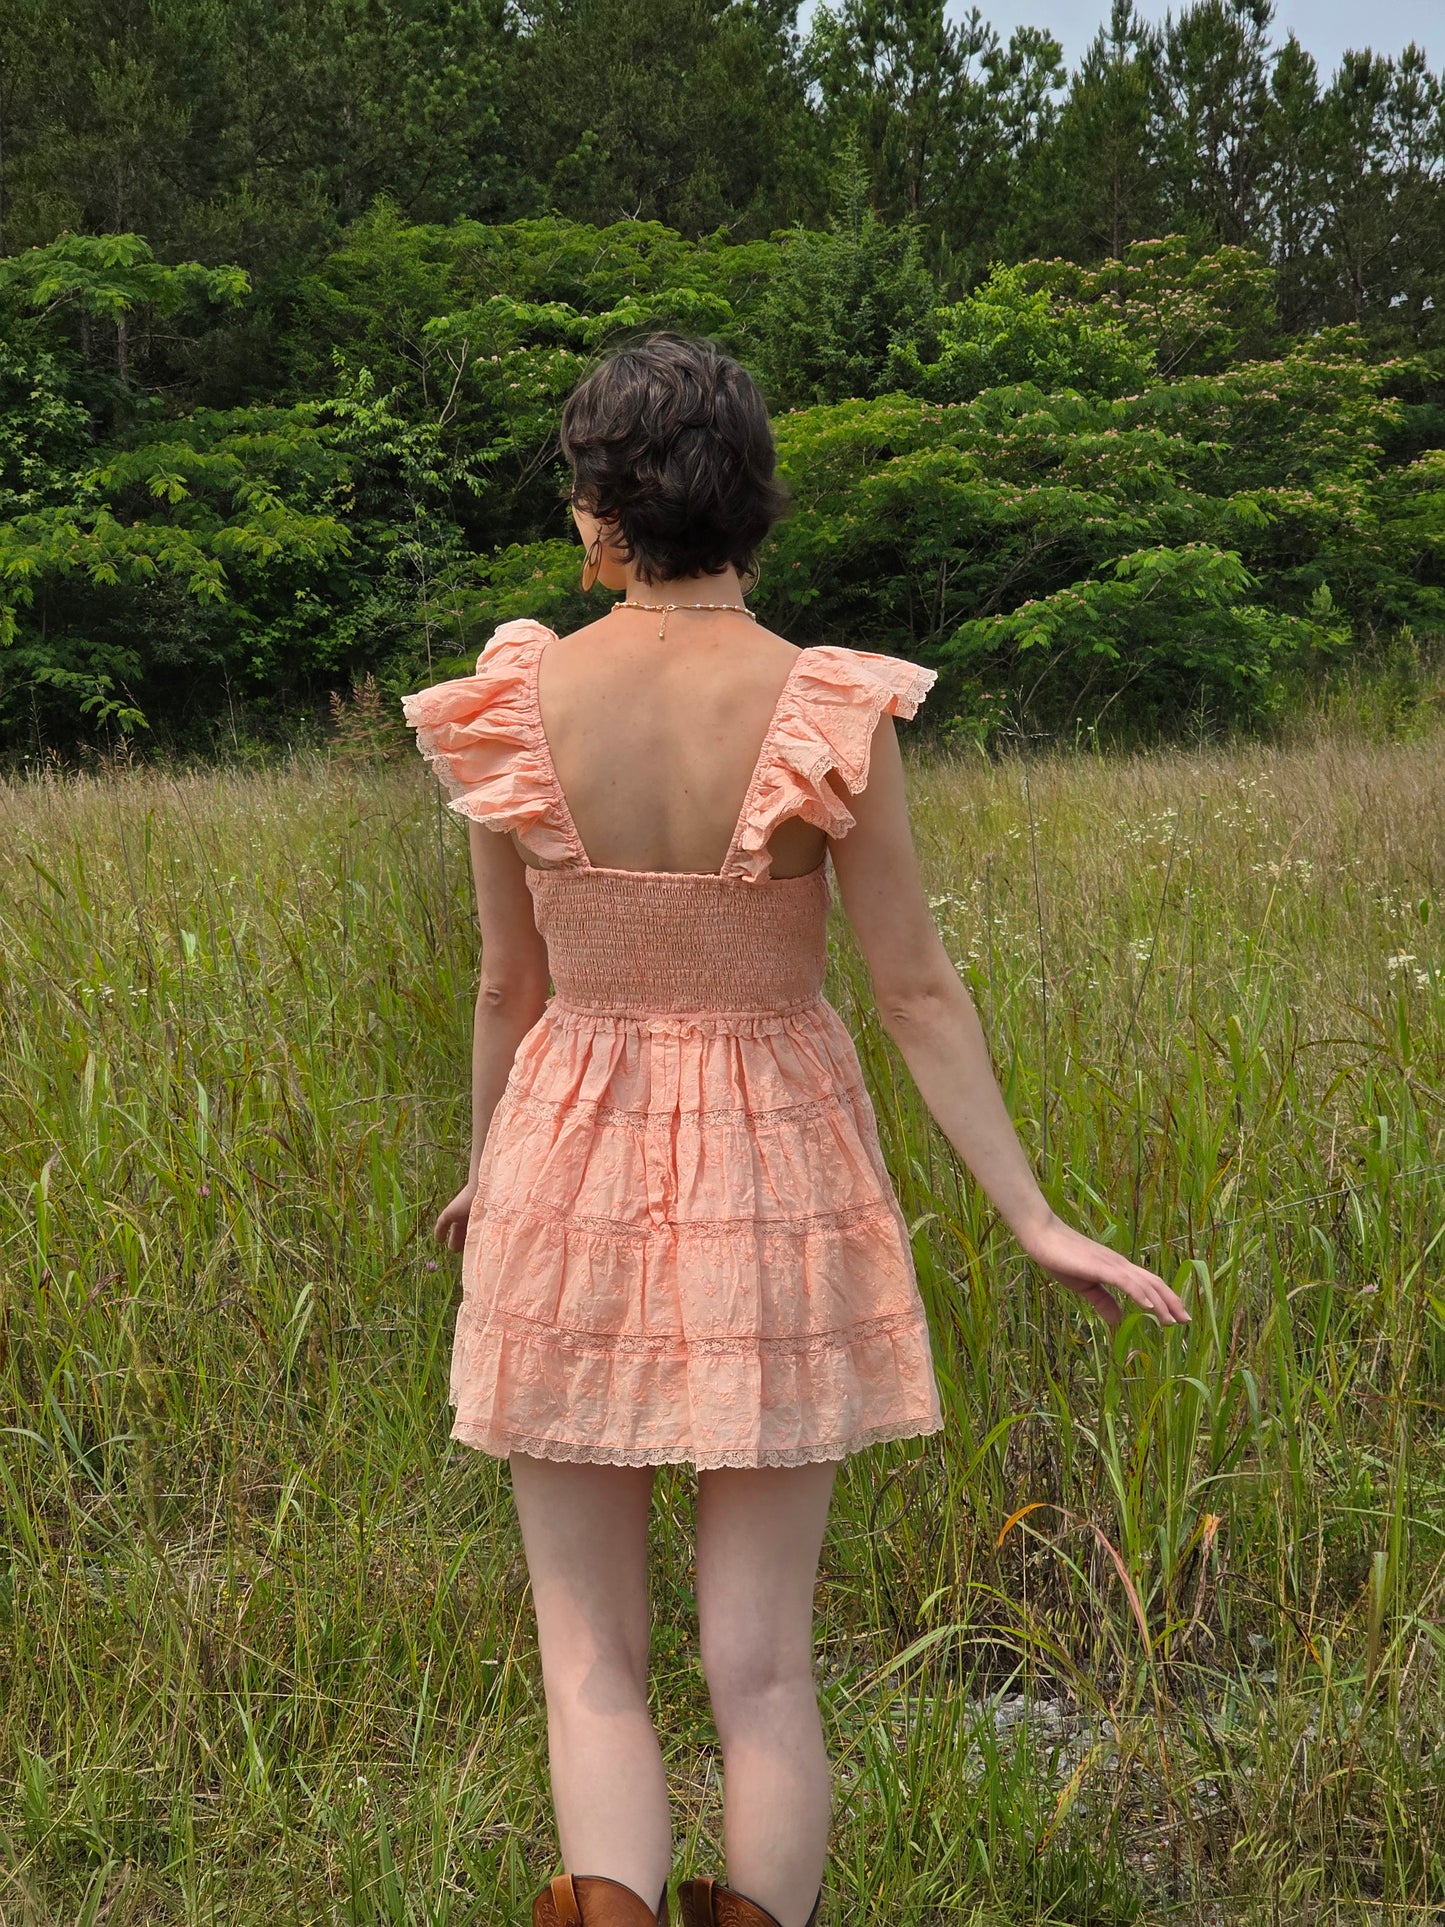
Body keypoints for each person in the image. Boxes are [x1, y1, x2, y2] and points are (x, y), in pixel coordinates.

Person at [401, 333, 1189, 1927]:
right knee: (760, 1668)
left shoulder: (516, 697)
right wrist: (1030, 1215)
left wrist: (493, 1177)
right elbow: (911, 992)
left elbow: (507, 987)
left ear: (596, 513)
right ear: (755, 505)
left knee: (589, 1659)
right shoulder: (826, 701)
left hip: (568, 1145)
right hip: (778, 1155)